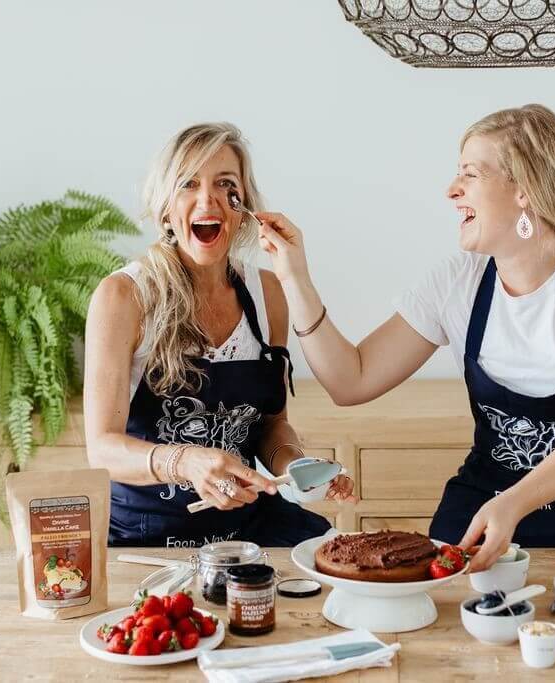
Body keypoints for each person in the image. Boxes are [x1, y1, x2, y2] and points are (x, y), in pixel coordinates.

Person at [255, 105, 555, 570]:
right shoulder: (459, 282)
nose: (451, 191)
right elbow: (349, 380)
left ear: (524, 189)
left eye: (469, 175)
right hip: (488, 497)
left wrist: (515, 504)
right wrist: (295, 278)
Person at [83, 122, 355, 548]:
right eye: (188, 184)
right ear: (166, 207)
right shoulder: (124, 296)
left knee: (340, 565)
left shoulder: (268, 295)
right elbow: (101, 449)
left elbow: (272, 425)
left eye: (225, 184)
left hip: (249, 531)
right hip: (145, 538)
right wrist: (185, 461)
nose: (206, 199)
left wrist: (298, 469)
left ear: (242, 205)